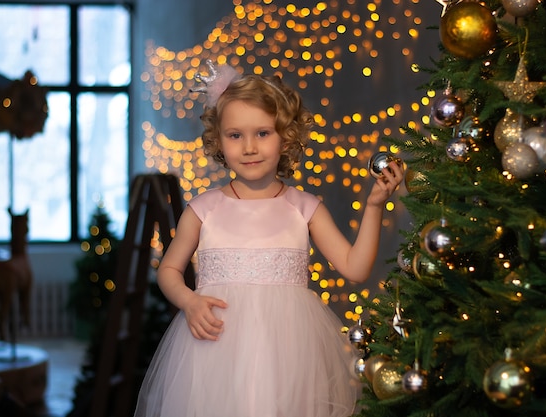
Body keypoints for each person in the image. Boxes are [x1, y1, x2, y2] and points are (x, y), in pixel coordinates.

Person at [133, 61, 404, 417]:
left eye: (262, 133)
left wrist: (373, 206)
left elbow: (355, 268)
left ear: (286, 137)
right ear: (219, 139)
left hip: (288, 355)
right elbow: (168, 269)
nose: (249, 147)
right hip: (215, 349)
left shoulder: (304, 207)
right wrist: (189, 301)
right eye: (235, 135)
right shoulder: (204, 209)